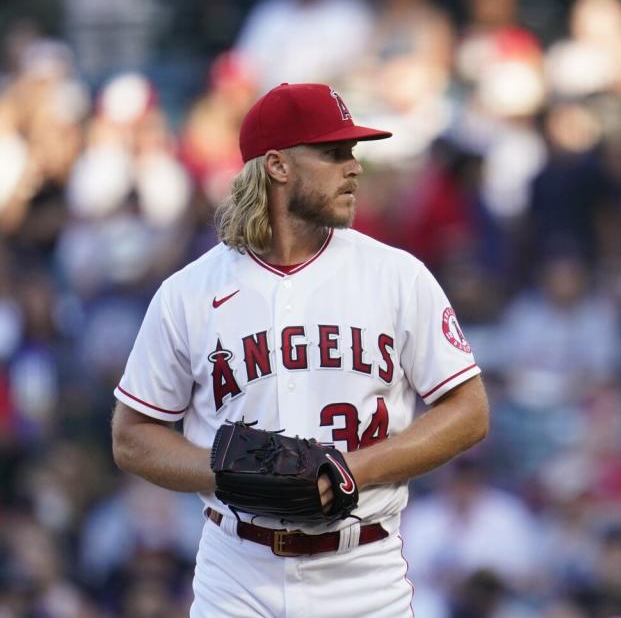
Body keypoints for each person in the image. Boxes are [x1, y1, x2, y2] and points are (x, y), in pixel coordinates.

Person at [110, 82, 489, 617]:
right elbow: (131, 438)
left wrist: (353, 468)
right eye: (333, 153)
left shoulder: (396, 275)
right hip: (236, 572)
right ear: (278, 166)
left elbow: (469, 411)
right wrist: (228, 474)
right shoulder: (188, 292)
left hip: (364, 576)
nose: (353, 167)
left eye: (353, 152)